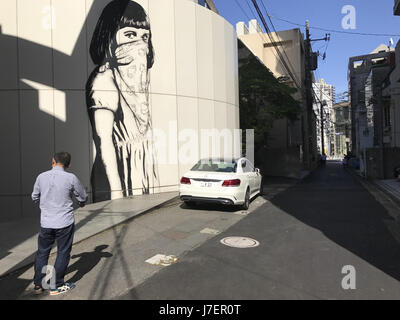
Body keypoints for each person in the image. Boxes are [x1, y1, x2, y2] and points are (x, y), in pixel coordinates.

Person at [86, 0, 158, 202]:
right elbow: (104, 142)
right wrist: (116, 193)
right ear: (110, 36)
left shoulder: (134, 80)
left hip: (137, 170)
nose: (139, 43)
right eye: (129, 34)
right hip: (116, 173)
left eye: (145, 36)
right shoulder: (104, 79)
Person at [31, 152, 88, 296]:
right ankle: (56, 286)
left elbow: (34, 196)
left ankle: (39, 284)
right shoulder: (71, 178)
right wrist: (81, 203)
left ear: (53, 161)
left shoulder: (41, 176)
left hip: (46, 222)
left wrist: (44, 204)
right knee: (63, 252)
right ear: (69, 165)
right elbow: (82, 196)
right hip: (64, 222)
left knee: (42, 252)